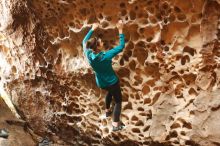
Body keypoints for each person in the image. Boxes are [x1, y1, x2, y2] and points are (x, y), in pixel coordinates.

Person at [82, 21, 125, 131]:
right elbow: (121, 46)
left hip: (101, 83)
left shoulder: (88, 54)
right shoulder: (106, 56)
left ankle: (107, 111)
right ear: (98, 46)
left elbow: (84, 41)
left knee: (109, 92)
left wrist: (92, 28)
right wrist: (120, 29)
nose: (102, 43)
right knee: (118, 101)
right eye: (100, 42)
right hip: (112, 82)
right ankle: (115, 125)